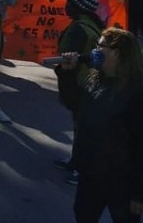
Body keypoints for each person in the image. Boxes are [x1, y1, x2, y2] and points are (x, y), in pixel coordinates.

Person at [61, 28, 143, 223]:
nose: (95, 50)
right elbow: (74, 103)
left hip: (121, 180)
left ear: (115, 52)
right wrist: (67, 74)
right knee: (83, 215)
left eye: (99, 45)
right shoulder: (96, 79)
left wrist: (138, 193)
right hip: (91, 173)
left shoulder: (136, 91)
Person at [53, 0, 103, 185]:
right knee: (80, 126)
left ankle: (82, 169)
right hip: (89, 82)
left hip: (80, 84)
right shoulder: (91, 25)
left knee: (82, 128)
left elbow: (70, 60)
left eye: (69, 2)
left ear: (78, 6)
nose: (66, 6)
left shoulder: (79, 29)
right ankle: (75, 160)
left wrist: (62, 72)